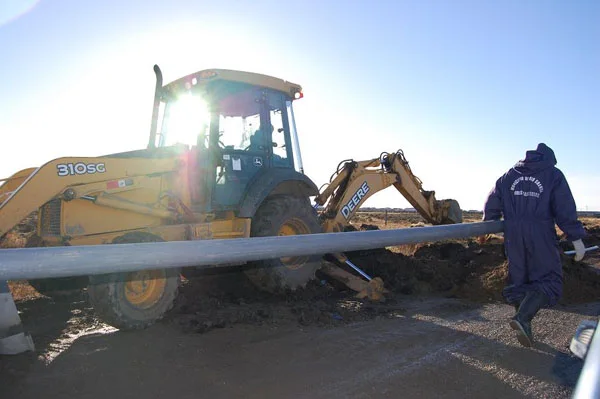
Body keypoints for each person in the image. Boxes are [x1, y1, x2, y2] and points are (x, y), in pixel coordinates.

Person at [482, 143, 587, 347]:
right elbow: (564, 207)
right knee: (549, 279)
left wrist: (490, 222)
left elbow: (492, 200)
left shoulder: (509, 175)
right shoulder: (553, 175)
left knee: (519, 279)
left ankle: (524, 324)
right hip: (540, 233)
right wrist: (575, 236)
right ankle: (523, 319)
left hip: (513, 233)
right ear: (549, 159)